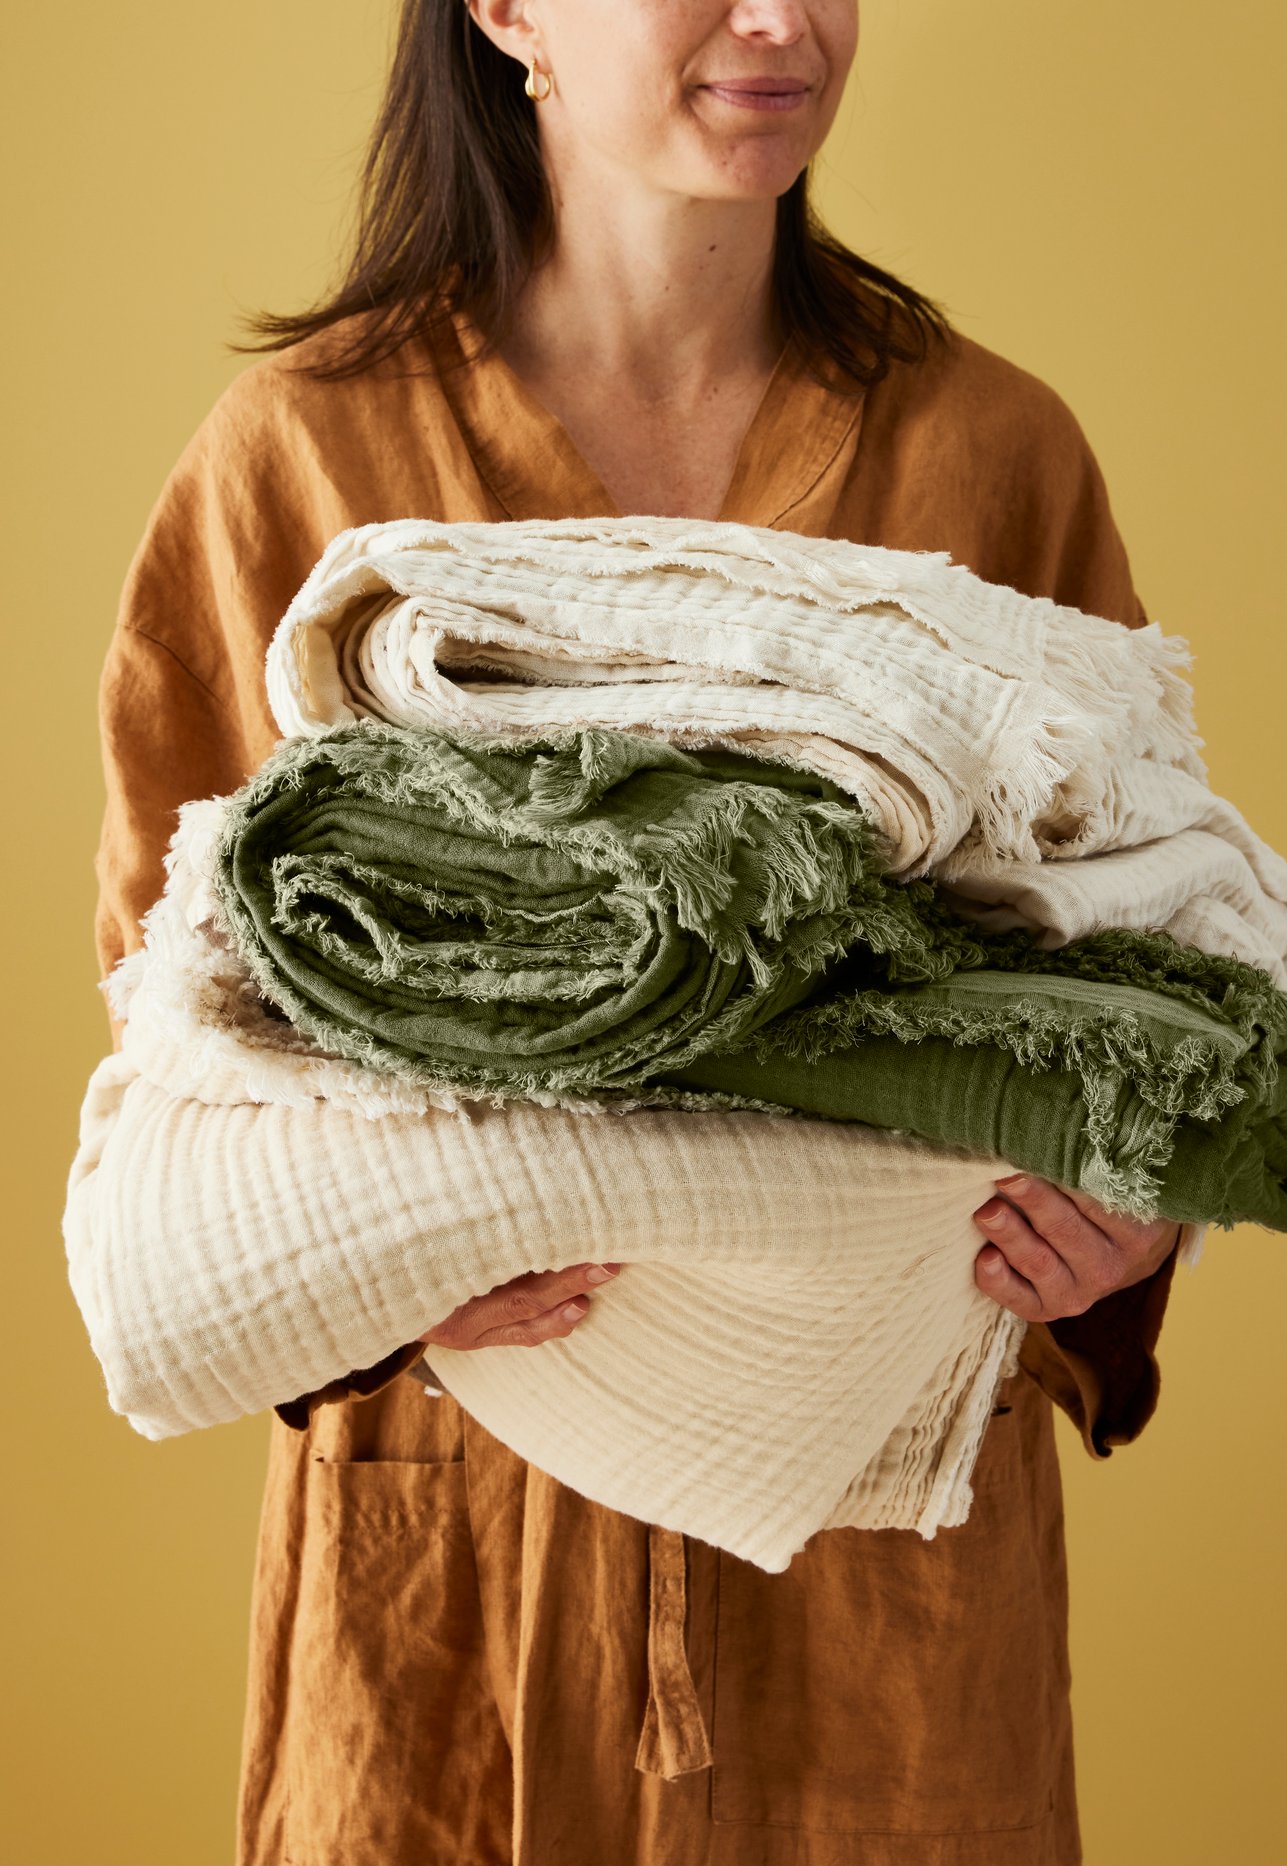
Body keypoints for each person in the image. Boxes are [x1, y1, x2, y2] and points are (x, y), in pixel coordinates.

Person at [92, 4, 1185, 1860]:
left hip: (883, 1560)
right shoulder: (302, 462)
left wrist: (1126, 1223)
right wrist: (348, 1268)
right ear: (506, 9)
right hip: (452, 1561)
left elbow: (1152, 962)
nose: (779, 18)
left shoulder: (991, 455)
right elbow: (173, 1020)